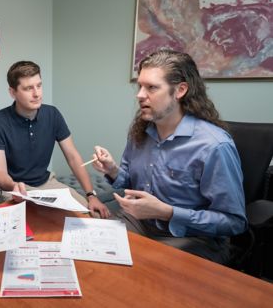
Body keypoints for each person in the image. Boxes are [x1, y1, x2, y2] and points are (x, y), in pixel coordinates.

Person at [91, 49, 247, 264]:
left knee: (143, 278)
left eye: (152, 87)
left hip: (192, 238)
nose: (140, 95)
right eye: (140, 86)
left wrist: (168, 213)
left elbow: (234, 222)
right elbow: (130, 183)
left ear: (180, 90)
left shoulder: (214, 146)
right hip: (140, 224)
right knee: (90, 254)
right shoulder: (141, 132)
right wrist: (112, 170)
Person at [0, 60, 109, 218]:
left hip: (47, 184)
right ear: (13, 92)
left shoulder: (53, 114)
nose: (37, 94)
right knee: (44, 226)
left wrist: (91, 195)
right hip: (15, 189)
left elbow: (73, 156)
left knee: (92, 216)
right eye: (28, 88)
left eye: (39, 85)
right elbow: (0, 172)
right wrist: (14, 186)